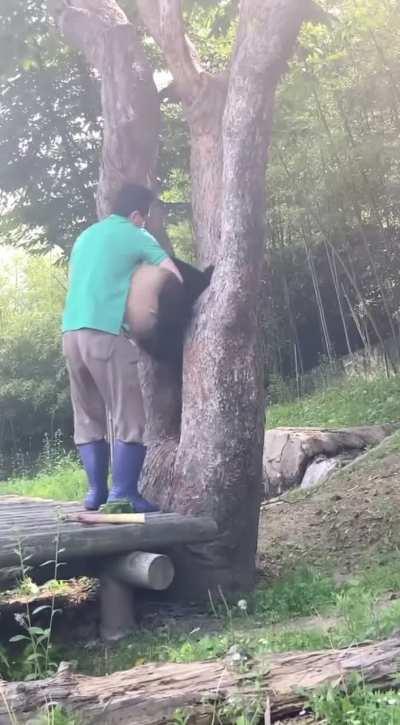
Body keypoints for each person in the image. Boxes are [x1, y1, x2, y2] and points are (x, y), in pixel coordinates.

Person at [62, 184, 182, 513]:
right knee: (130, 416)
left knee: (87, 417)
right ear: (136, 215)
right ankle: (124, 493)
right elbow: (172, 275)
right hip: (105, 333)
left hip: (71, 333)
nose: (146, 223)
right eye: (146, 217)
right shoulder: (135, 233)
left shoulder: (85, 236)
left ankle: (95, 493)